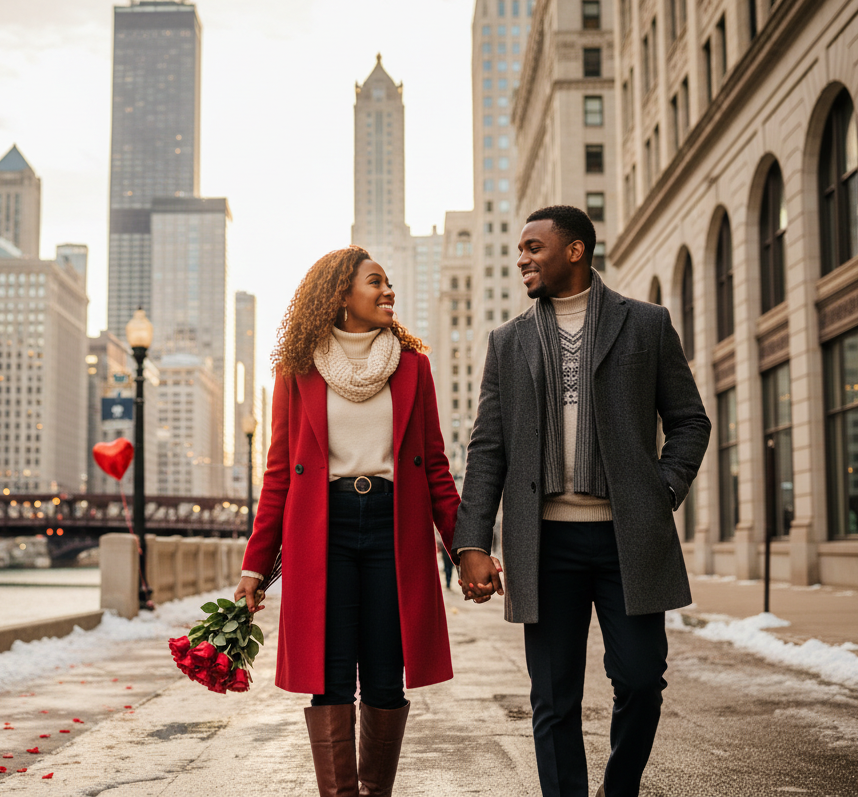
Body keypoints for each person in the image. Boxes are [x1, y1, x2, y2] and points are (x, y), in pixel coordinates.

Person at [453, 205, 711, 797]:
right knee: (552, 697)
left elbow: (690, 421)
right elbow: (487, 448)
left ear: (575, 251)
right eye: (520, 250)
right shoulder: (508, 341)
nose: (522, 258)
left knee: (642, 681)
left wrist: (662, 488)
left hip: (630, 537)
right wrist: (472, 541)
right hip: (545, 542)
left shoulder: (646, 324)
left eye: (534, 247)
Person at [236, 246, 460, 797]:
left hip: (393, 528)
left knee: (386, 677)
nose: (388, 292)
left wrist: (466, 548)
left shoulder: (413, 368)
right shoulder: (298, 372)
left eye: (388, 283)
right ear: (340, 295)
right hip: (322, 532)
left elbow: (434, 466)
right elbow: (279, 477)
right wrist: (254, 568)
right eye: (375, 282)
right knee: (331, 678)